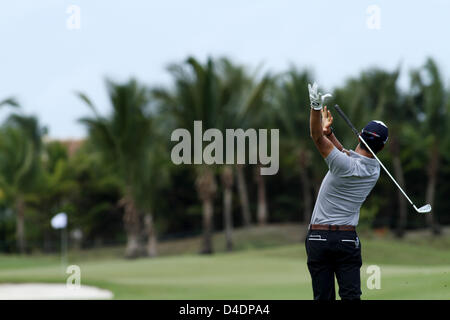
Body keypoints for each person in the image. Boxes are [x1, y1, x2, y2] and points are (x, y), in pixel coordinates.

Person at [305, 82, 388, 300]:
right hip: (347, 240)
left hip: (319, 237)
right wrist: (330, 134)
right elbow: (344, 154)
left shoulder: (341, 164)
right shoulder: (374, 171)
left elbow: (315, 136)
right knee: (352, 297)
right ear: (382, 147)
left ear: (360, 136)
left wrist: (315, 107)